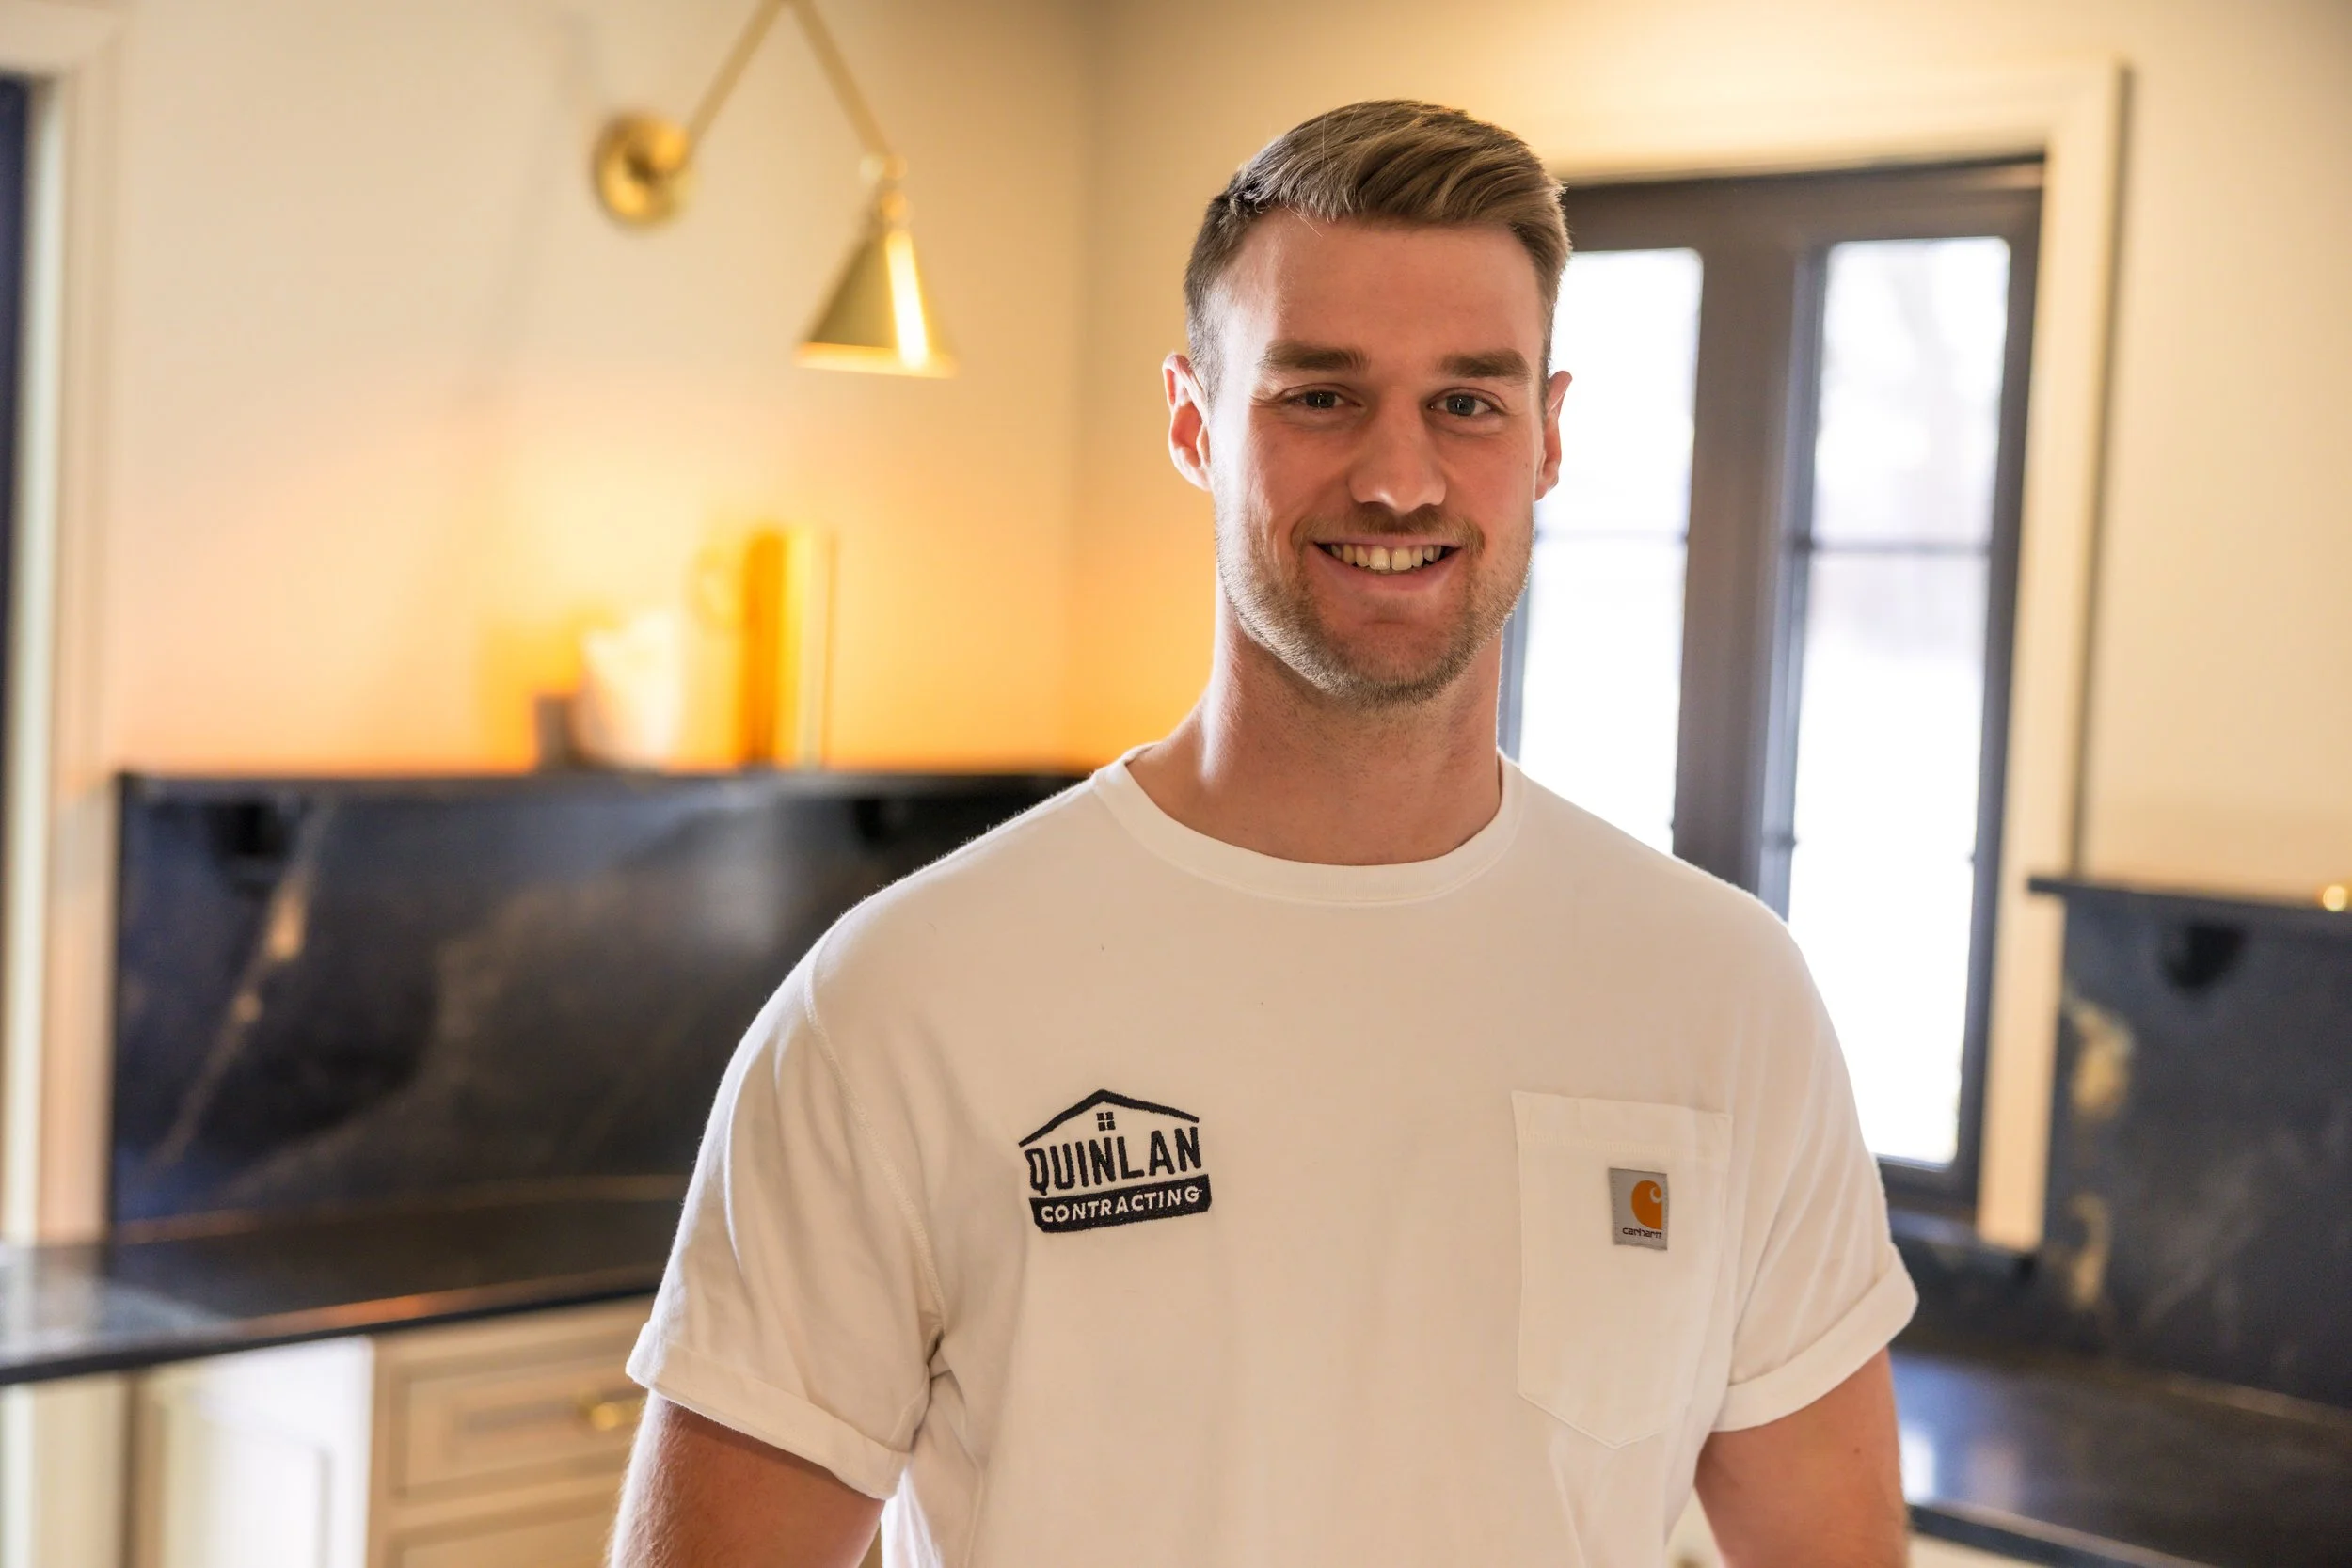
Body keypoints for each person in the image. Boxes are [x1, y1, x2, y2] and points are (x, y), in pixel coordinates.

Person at [611, 99, 1915, 1568]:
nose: (1400, 477)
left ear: (1548, 436)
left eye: (1468, 402)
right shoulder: (904, 1003)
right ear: (1193, 419)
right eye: (1319, 395)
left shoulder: (1724, 998)